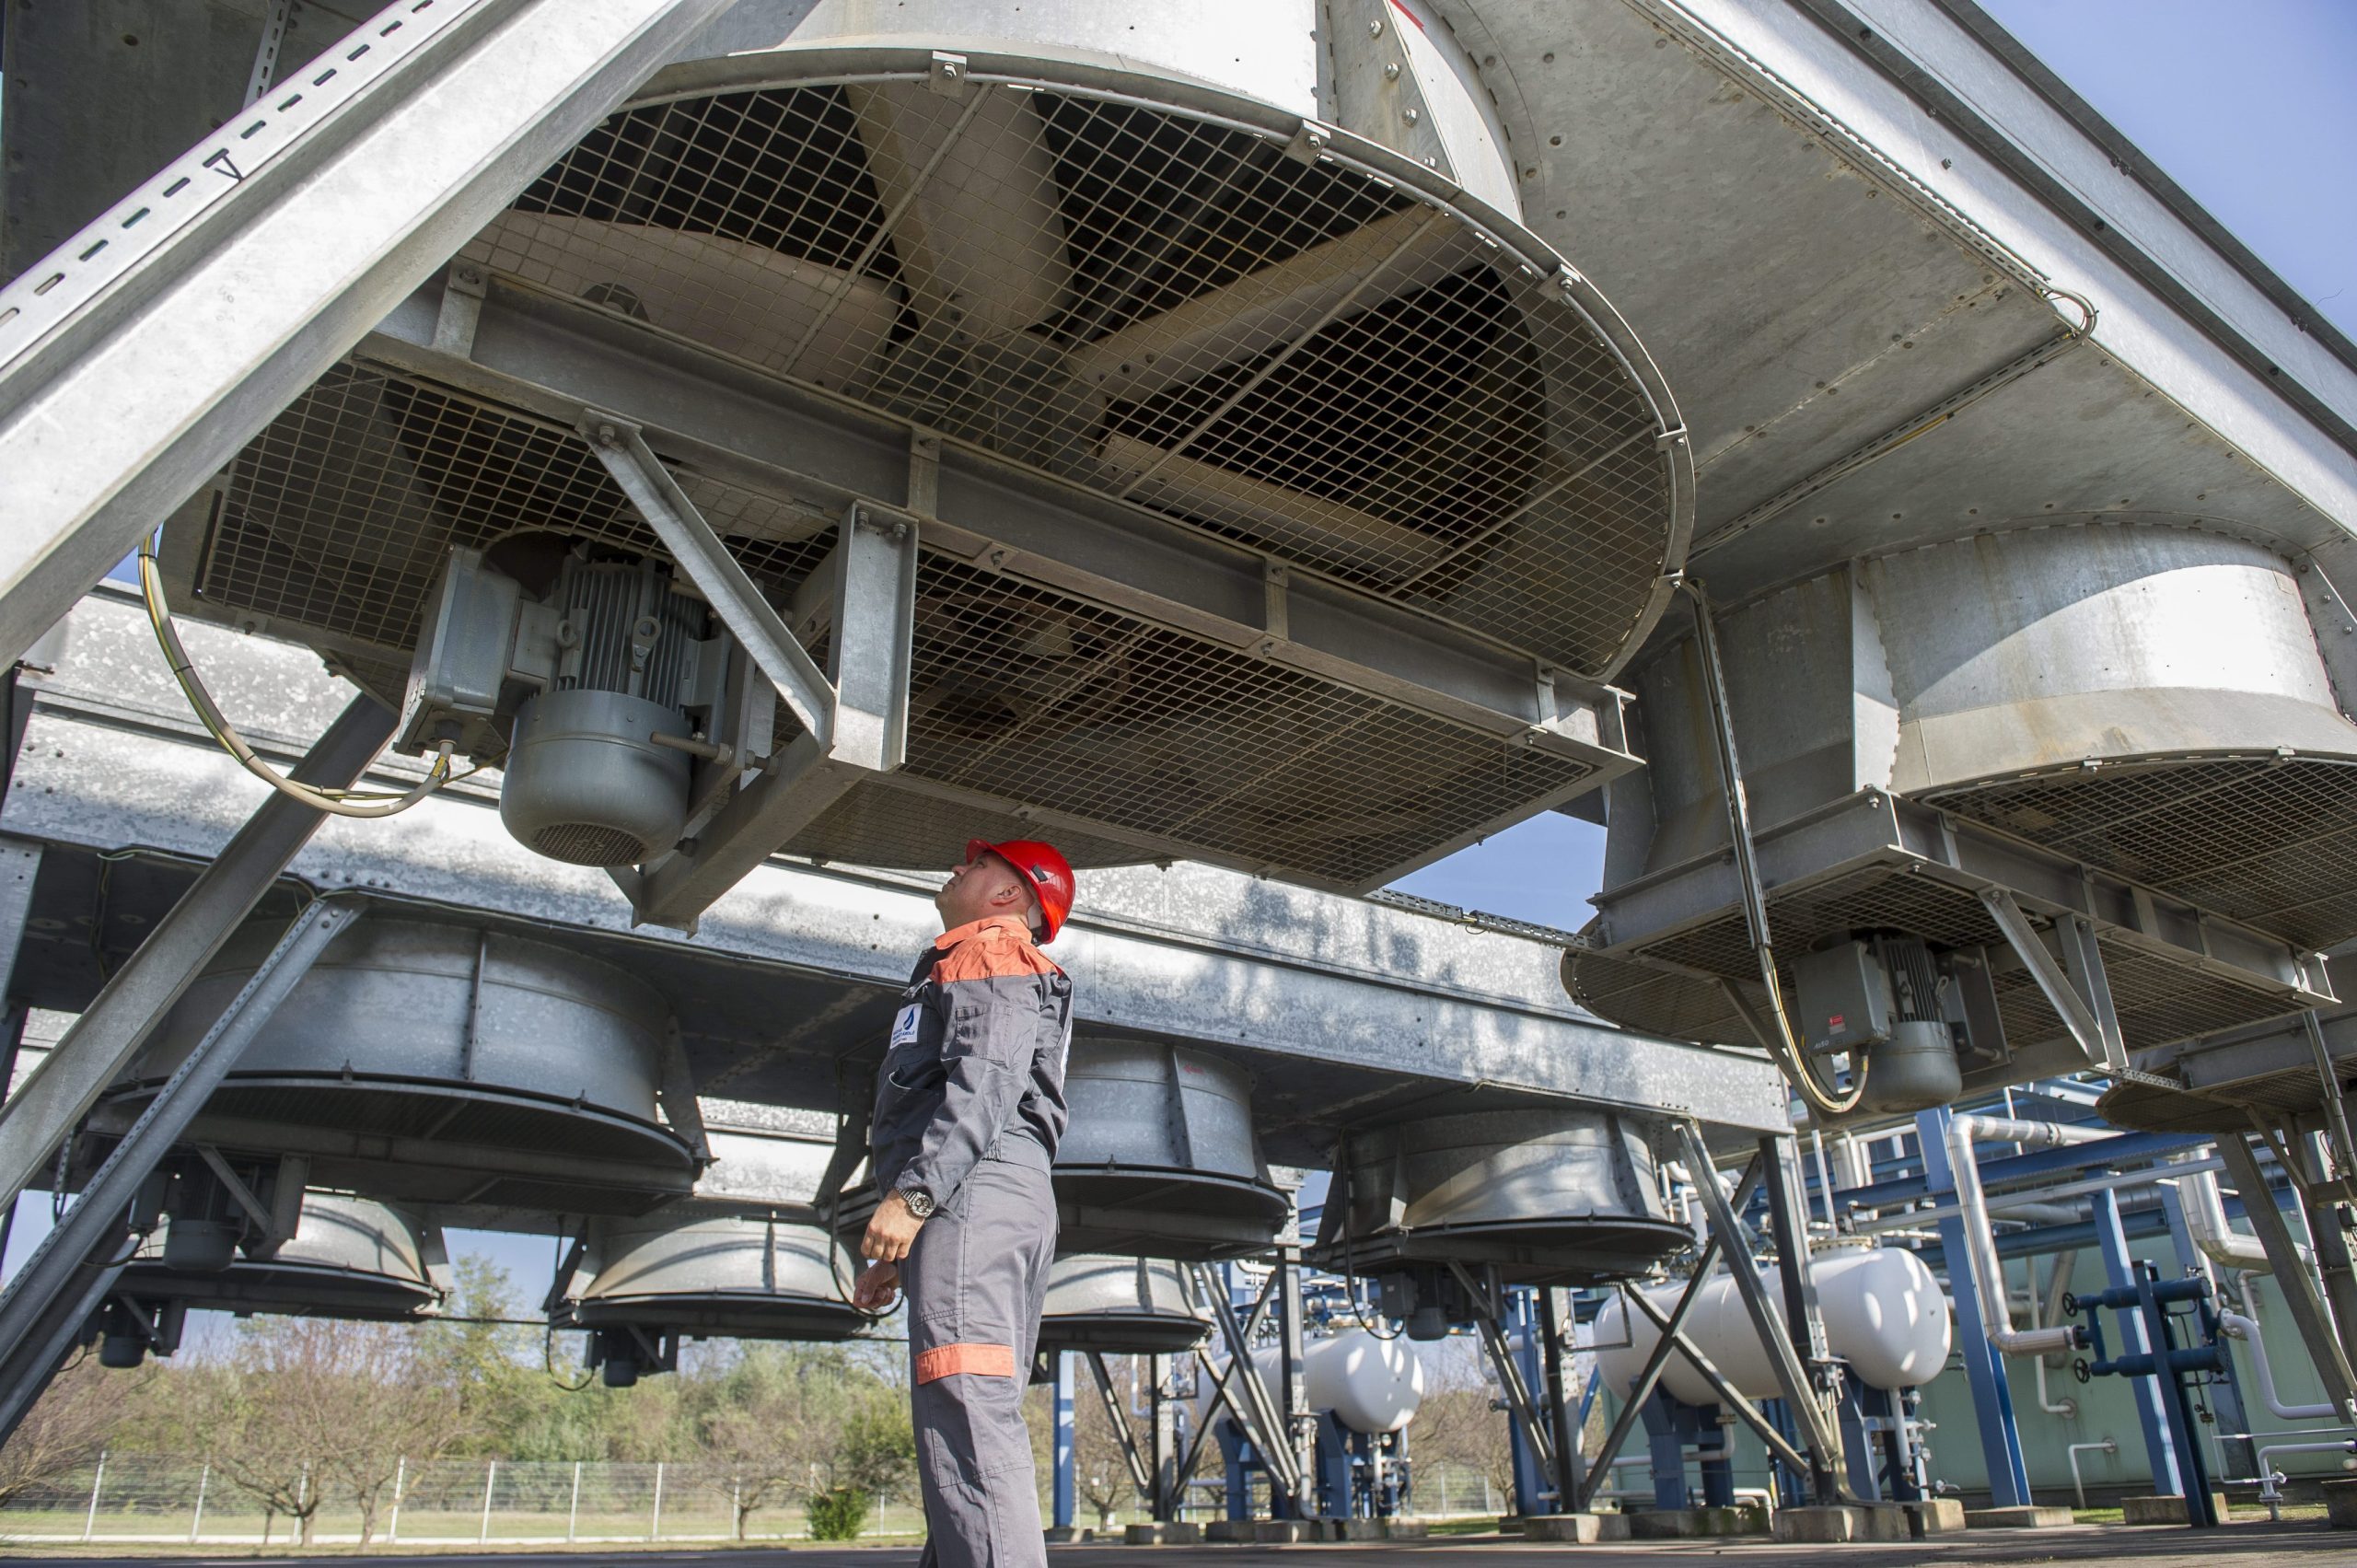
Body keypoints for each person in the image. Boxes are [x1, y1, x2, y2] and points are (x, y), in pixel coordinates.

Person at [853, 837, 1077, 1568]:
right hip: (984, 1190)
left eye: (977, 864)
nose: (956, 866)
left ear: (1009, 897)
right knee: (966, 1407)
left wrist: (915, 1197)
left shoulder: (987, 949)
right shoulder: (971, 957)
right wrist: (905, 1239)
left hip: (972, 1185)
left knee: (967, 1404)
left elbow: (985, 1080)